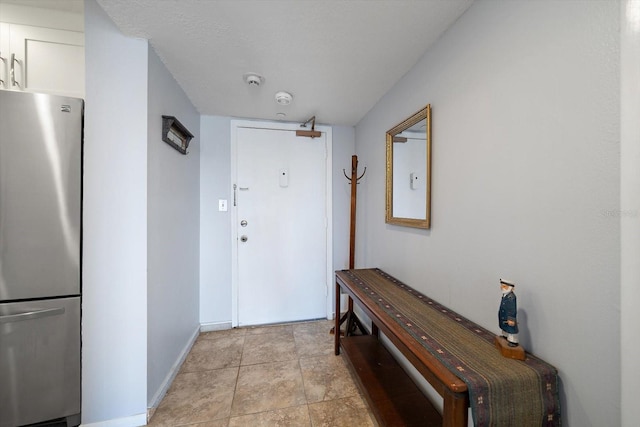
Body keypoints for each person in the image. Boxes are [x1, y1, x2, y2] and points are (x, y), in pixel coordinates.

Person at [498, 279, 519, 347]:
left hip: (509, 316)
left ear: (511, 288)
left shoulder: (511, 297)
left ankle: (513, 341)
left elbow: (512, 309)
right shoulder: (505, 295)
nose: (502, 288)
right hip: (504, 315)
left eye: (504, 287)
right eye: (502, 286)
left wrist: (511, 319)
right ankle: (505, 336)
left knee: (511, 329)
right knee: (504, 327)